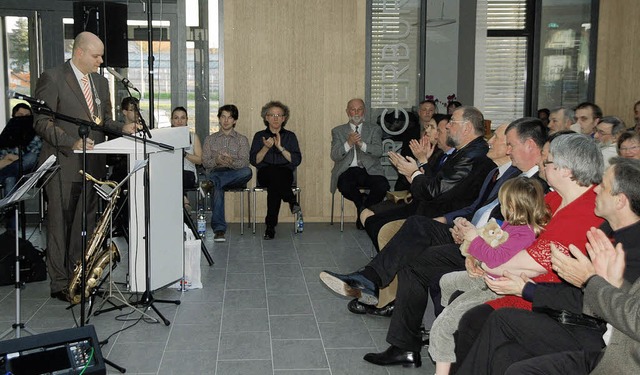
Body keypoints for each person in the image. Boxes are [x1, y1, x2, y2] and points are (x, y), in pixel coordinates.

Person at [318, 117, 547, 368]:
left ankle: (371, 280)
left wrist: (470, 233)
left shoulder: (534, 186)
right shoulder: (499, 171)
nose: (490, 142)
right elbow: (473, 207)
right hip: (466, 232)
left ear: (530, 146)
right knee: (412, 256)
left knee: (417, 226)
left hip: (484, 247)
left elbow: (511, 231)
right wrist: (457, 222)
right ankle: (403, 346)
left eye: (504, 141)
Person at [455, 158, 640, 375]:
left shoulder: (632, 249)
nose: (596, 188)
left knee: (498, 319)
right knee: (505, 354)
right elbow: (574, 287)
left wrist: (529, 289)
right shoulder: (606, 229)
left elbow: (596, 302)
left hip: (599, 338)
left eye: (604, 186)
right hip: (573, 316)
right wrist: (528, 287)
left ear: (620, 201)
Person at [33, 31, 138, 301]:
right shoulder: (53, 77)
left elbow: (101, 122)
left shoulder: (101, 84)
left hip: (93, 165)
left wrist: (123, 128)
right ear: (78, 52)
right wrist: (72, 142)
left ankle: (80, 277)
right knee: (60, 225)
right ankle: (59, 284)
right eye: (96, 55)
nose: (101, 61)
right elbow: (42, 122)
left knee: (86, 224)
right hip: (64, 164)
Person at [430, 177, 550, 375]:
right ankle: (445, 333)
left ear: (511, 206)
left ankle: (442, 368)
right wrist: (472, 248)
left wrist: (474, 238)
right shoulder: (511, 226)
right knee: (445, 282)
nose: (501, 207)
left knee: (444, 325)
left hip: (496, 290)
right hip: (486, 277)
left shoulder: (524, 234)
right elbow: (487, 245)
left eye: (502, 203)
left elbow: (495, 260)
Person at [359, 106, 492, 249]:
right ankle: (384, 265)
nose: (448, 126)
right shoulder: (458, 152)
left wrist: (416, 170)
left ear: (467, 128)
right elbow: (429, 184)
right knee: (372, 220)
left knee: (376, 223)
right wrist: (413, 172)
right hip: (422, 202)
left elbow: (434, 190)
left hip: (437, 211)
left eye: (452, 121)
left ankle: (385, 266)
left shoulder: (470, 155)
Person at [330, 99, 389, 229]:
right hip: (348, 169)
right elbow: (334, 155)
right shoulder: (338, 131)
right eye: (353, 109)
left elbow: (379, 151)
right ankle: (362, 205)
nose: (356, 112)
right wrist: (349, 143)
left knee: (383, 186)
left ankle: (363, 209)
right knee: (344, 186)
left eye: (360, 109)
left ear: (364, 111)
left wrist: (362, 145)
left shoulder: (374, 129)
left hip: (370, 169)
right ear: (347, 111)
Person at [249, 100, 302, 240]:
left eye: (279, 115)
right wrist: (266, 147)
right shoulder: (259, 135)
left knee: (275, 185)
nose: (276, 118)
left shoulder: (290, 136)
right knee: (273, 174)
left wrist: (280, 147)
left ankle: (270, 227)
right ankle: (291, 200)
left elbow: (296, 160)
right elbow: (254, 161)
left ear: (284, 118)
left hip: (285, 174)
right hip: (265, 173)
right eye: (272, 115)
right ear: (266, 117)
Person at [201, 104, 252, 242]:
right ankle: (219, 231)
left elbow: (244, 162)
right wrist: (217, 160)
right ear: (218, 119)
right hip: (216, 171)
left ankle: (210, 184)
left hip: (236, 174)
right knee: (217, 187)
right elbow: (205, 162)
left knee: (247, 171)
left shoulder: (242, 139)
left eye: (229, 118)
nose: (226, 120)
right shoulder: (210, 139)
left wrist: (231, 161)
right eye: (223, 117)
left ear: (234, 121)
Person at [170, 106, 202, 190]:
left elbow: (200, 160)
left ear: (187, 120)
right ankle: (185, 201)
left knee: (178, 178)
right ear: (172, 120)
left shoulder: (193, 137)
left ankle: (184, 200)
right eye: (176, 118)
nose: (179, 121)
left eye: (183, 118)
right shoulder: (166, 137)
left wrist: (185, 154)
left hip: (187, 173)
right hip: (169, 171)